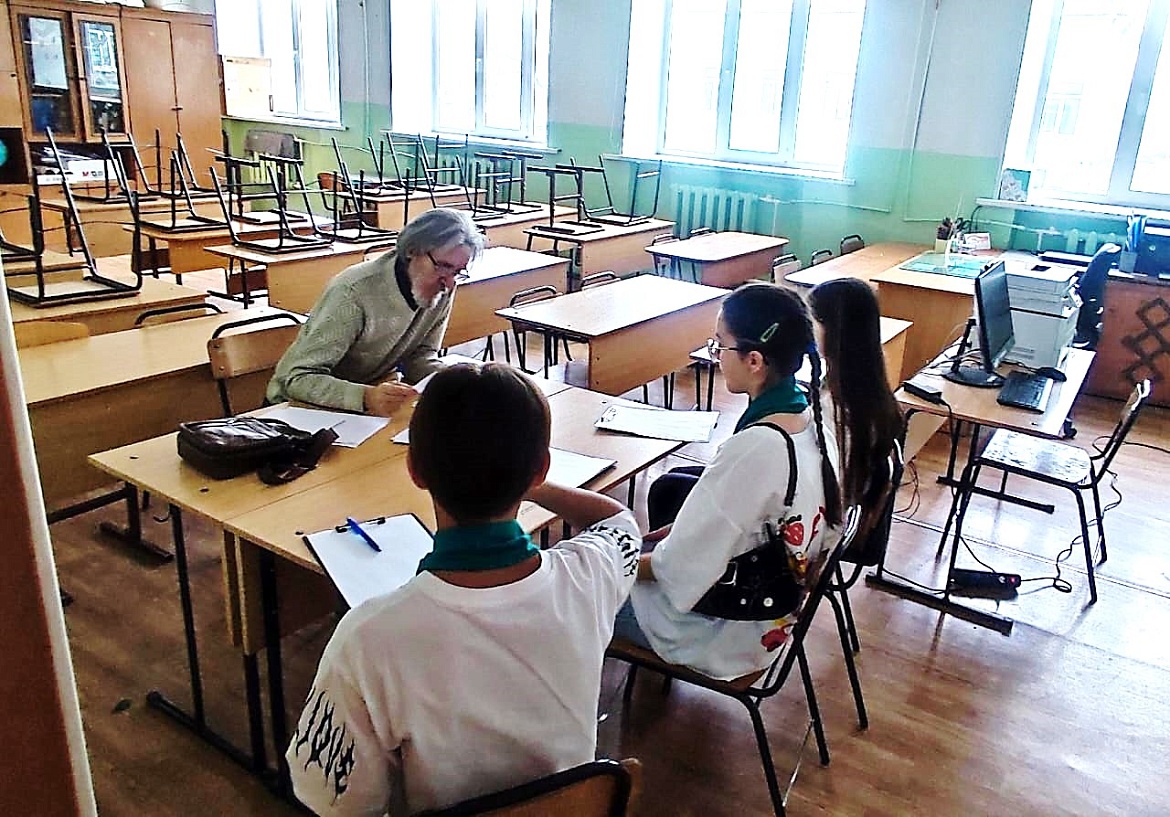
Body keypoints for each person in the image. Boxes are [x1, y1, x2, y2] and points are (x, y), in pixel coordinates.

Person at [286, 363, 641, 816]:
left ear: (415, 469)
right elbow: (618, 521)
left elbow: (335, 805)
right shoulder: (589, 575)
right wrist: (524, 481)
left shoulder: (366, 640)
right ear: (540, 469)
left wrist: (516, 475)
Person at [612, 282, 841, 681]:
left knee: (568, 597)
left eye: (720, 345)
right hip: (770, 615)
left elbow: (676, 568)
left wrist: (607, 564)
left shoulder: (757, 448)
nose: (715, 355)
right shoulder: (812, 420)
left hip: (727, 632)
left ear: (754, 360)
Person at [267, 207, 485, 416]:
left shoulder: (441, 286)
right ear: (412, 251)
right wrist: (366, 397)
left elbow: (419, 357)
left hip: (363, 408)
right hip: (294, 409)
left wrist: (456, 380)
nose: (449, 282)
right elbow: (298, 378)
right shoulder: (353, 291)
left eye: (458, 271)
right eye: (443, 266)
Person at [808, 277, 904, 524]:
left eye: (812, 321)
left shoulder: (834, 410)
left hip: (825, 523)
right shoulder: (869, 390)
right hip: (844, 511)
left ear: (834, 330)